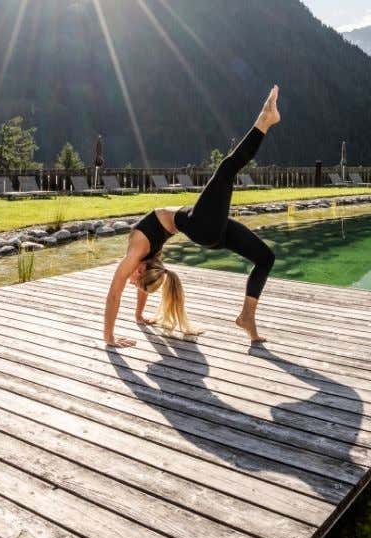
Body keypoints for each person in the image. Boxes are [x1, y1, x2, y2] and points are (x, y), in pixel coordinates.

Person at [103, 85, 280, 347]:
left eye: (136, 284)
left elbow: (135, 285)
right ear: (140, 270)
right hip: (200, 225)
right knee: (227, 168)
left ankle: (247, 317)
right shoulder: (138, 254)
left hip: (207, 231)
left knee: (265, 258)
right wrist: (110, 339)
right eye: (137, 283)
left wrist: (139, 316)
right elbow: (114, 293)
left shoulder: (144, 258)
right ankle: (264, 119)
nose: (130, 282)